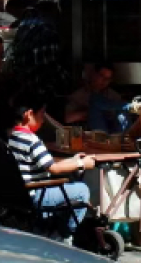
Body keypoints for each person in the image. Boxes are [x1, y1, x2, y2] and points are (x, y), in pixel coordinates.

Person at [7, 98, 94, 232]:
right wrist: (82, 164)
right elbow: (53, 168)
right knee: (82, 190)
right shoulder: (32, 140)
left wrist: (73, 160)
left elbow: (49, 162)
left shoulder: (13, 136)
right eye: (41, 115)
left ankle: (52, 225)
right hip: (37, 194)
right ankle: (66, 233)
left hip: (21, 194)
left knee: (71, 184)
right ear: (29, 114)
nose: (43, 120)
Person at [63, 64, 125, 131]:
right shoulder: (79, 95)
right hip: (85, 133)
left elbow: (120, 118)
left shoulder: (114, 96)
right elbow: (68, 118)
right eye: (101, 76)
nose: (104, 81)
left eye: (108, 79)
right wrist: (91, 112)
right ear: (94, 74)